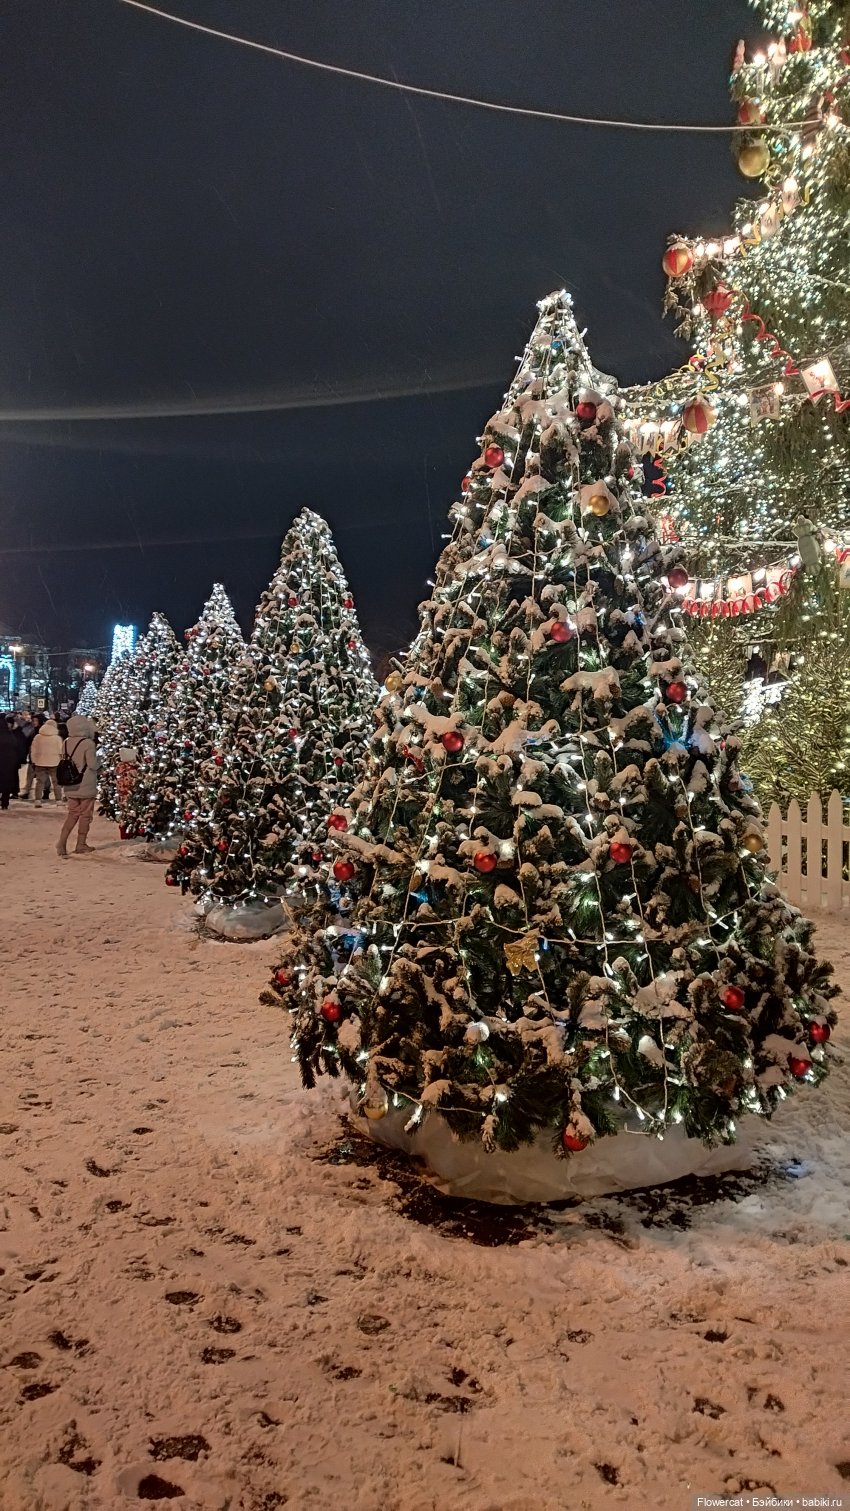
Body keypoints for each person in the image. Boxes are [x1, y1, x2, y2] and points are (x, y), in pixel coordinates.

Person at [56, 714, 99, 857]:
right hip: (86, 784)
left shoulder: (66, 742)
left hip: (70, 784)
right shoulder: (88, 743)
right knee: (85, 815)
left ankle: (62, 842)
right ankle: (81, 844)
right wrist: (101, 762)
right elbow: (92, 764)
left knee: (72, 814)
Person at [29, 716, 64, 807]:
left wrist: (34, 760)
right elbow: (61, 751)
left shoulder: (38, 737)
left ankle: (37, 800)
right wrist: (61, 760)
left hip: (40, 762)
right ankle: (58, 800)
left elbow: (33, 750)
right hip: (54, 763)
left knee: (40, 782)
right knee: (56, 782)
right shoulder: (57, 738)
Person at [0, 718, 21, 810]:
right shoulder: (11, 736)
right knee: (6, 783)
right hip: (9, 764)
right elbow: (17, 748)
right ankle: (5, 803)